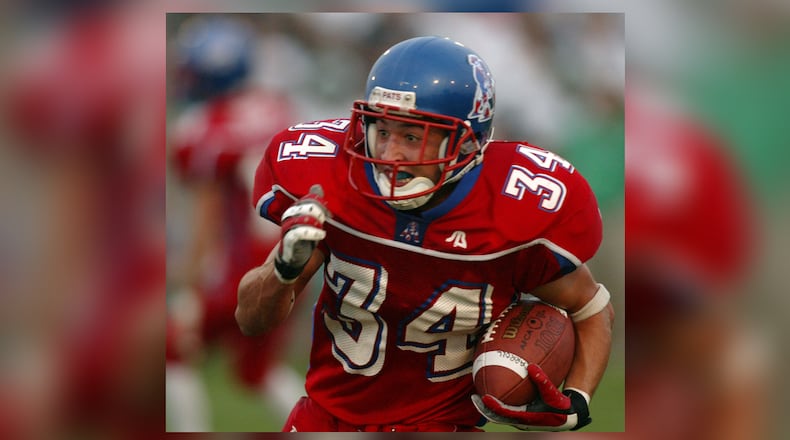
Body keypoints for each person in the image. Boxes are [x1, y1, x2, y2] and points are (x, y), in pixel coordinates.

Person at [236, 36, 615, 432]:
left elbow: (590, 308)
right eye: (383, 131)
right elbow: (250, 321)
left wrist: (576, 402)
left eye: (412, 137)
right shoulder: (333, 182)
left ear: (466, 140)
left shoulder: (512, 206)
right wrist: (282, 270)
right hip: (326, 419)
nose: (390, 155)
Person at [165, 15, 303, 431]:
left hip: (244, 264)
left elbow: (208, 216)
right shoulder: (277, 108)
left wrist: (190, 284)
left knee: (171, 348)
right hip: (295, 255)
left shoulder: (205, 127)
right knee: (256, 372)